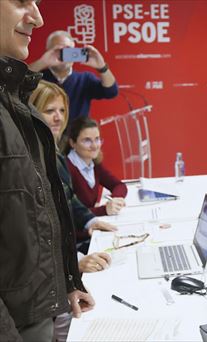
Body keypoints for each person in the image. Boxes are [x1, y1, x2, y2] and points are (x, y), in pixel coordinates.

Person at [0, 1, 95, 341]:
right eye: (21, 1)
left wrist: (65, 281)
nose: (38, 17)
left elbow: (33, 220)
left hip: (39, 311)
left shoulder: (17, 105)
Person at [31, 80, 118, 252]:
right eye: (50, 111)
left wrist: (92, 221)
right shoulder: (30, 161)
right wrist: (77, 261)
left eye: (62, 110)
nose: (59, 117)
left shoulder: (56, 156)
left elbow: (69, 201)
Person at [29, 30, 118, 121]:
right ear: (48, 51)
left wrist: (102, 66)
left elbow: (111, 91)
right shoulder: (38, 78)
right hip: (46, 133)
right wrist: (42, 62)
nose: (64, 54)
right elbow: (17, 82)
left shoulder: (84, 79)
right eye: (59, 50)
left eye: (68, 50)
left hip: (76, 133)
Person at [64, 116, 128, 216]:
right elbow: (69, 214)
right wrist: (104, 210)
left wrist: (115, 200)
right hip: (78, 230)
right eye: (87, 140)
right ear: (72, 143)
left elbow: (119, 185)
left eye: (97, 139)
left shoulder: (94, 163)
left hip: (92, 225)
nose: (94, 146)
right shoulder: (66, 169)